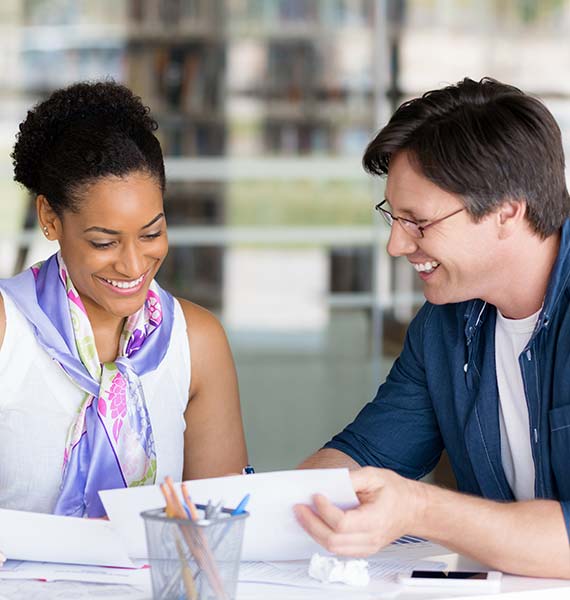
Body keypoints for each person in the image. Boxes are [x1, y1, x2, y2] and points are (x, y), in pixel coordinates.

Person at [295, 77, 570, 578]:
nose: (396, 245)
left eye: (417, 221)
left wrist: (419, 508)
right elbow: (367, 455)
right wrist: (295, 500)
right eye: (393, 218)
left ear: (508, 211)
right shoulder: (445, 323)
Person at [0, 81, 247, 518]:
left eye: (152, 233)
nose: (134, 265)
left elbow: (217, 524)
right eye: (103, 242)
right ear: (49, 219)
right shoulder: (8, 330)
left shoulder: (198, 342)